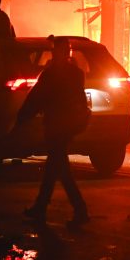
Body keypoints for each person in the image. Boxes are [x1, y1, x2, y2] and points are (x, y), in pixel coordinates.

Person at [18, 36, 90, 227]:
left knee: (62, 170)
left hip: (58, 126)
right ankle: (41, 207)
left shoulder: (52, 74)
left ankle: (80, 210)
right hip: (65, 126)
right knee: (54, 168)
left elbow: (36, 98)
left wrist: (21, 118)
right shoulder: (75, 73)